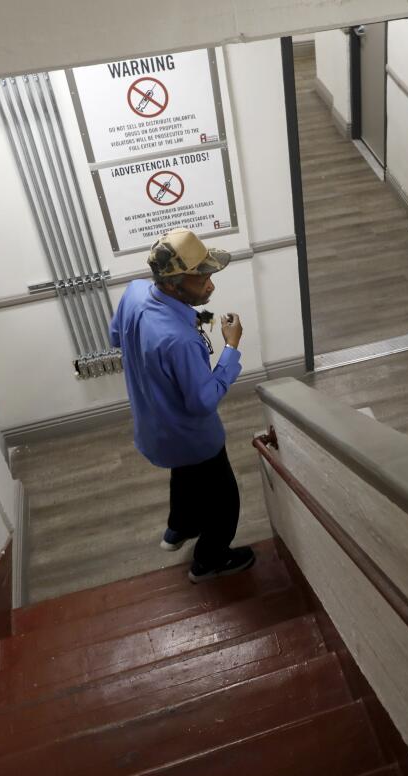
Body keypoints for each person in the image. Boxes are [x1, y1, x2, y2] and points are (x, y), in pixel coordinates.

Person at [109, 228, 255, 583]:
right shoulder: (178, 339)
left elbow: (116, 336)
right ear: (174, 284)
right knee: (225, 502)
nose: (210, 284)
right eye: (201, 277)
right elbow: (204, 400)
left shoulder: (135, 292)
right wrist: (231, 348)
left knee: (185, 475)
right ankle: (209, 560)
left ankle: (179, 528)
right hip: (192, 437)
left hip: (155, 428)